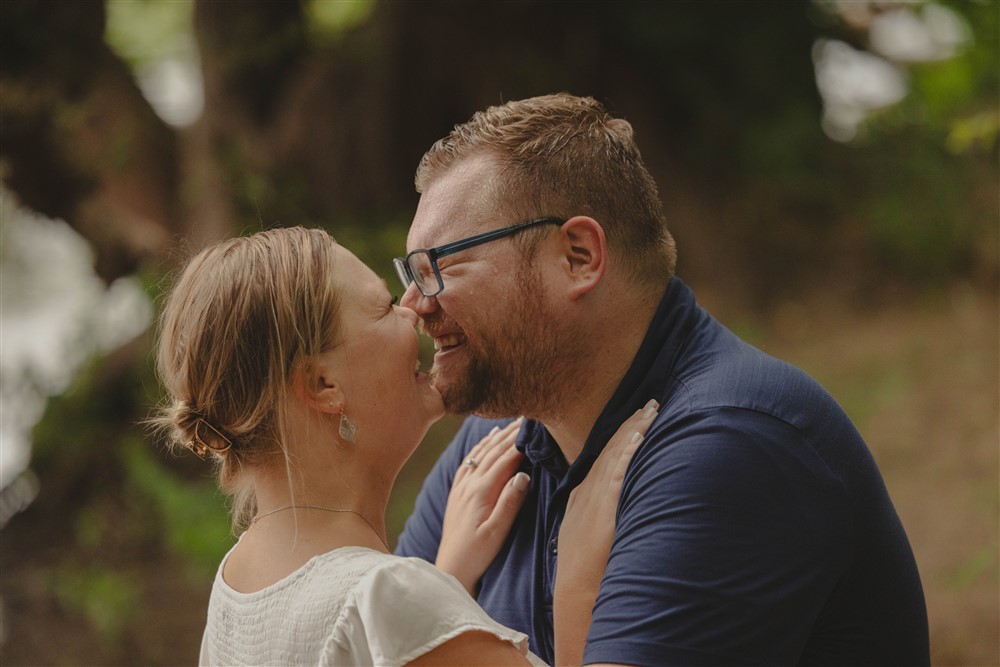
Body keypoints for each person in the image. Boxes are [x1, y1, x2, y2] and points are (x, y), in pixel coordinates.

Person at [393, 93, 930, 666]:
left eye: (438, 267)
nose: (412, 305)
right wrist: (448, 581)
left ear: (577, 256)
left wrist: (568, 596)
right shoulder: (492, 452)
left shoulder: (729, 444)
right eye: (411, 272)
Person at [151, 226, 658, 666]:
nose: (414, 308)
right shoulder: (386, 599)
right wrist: (577, 578)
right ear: (324, 385)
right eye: (383, 307)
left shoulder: (237, 590)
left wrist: (446, 587)